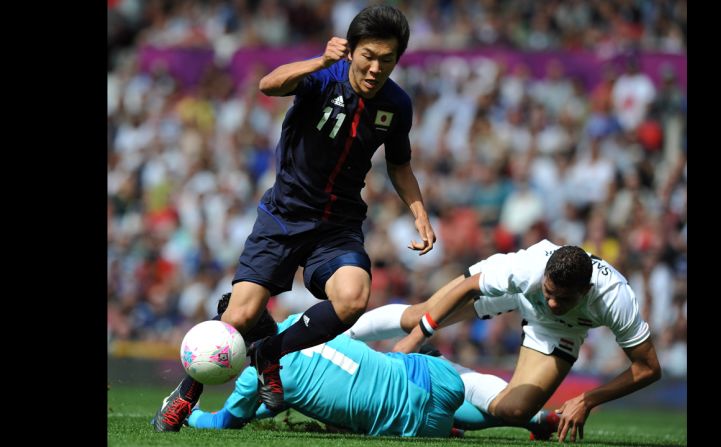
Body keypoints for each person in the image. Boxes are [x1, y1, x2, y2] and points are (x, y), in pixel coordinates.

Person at [153, 5, 436, 432]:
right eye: (368, 56)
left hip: (337, 226)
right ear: (351, 50)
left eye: (387, 59)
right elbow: (269, 84)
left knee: (354, 297)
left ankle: (270, 352)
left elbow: (399, 164)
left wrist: (420, 214)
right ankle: (186, 394)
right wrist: (321, 60)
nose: (376, 68)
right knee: (240, 316)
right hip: (283, 217)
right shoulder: (323, 77)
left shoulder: (397, 104)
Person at [349, 239, 661, 443]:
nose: (552, 303)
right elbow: (469, 288)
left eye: (563, 298)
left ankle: (437, 365)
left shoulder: (615, 298)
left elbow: (648, 367)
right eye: (549, 292)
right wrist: (415, 338)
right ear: (545, 277)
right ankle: (339, 338)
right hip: (517, 293)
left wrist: (587, 399)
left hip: (561, 331)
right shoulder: (527, 270)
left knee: (514, 412)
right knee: (420, 314)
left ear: (586, 290)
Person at [186, 311, 561, 439]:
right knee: (423, 394)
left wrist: (190, 412)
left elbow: (222, 423)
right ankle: (534, 417)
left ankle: (521, 418)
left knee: (414, 414)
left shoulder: (255, 378)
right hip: (432, 373)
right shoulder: (301, 322)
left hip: (415, 423)